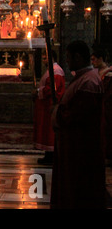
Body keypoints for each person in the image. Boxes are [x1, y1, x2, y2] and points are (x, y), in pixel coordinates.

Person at [50, 40, 106, 209]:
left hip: (80, 148)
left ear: (78, 57)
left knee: (79, 190)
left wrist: (57, 111)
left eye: (68, 57)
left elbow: (76, 116)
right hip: (73, 146)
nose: (66, 61)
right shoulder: (83, 78)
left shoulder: (88, 82)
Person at [33, 50, 65, 164]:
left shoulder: (56, 71)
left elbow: (52, 89)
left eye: (45, 58)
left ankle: (51, 155)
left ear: (52, 58)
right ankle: (48, 154)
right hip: (46, 105)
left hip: (50, 104)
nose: (43, 60)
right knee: (46, 130)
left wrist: (38, 91)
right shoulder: (51, 70)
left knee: (49, 130)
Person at [91, 48, 112, 165]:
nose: (92, 62)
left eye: (94, 60)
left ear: (101, 59)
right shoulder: (96, 73)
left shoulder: (109, 74)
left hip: (106, 108)